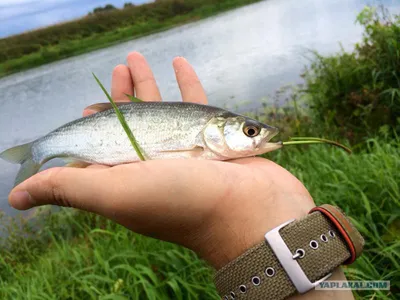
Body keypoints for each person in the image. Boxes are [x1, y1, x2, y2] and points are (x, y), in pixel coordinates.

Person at [8, 52, 353, 299]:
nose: (258, 136)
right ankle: (37, 150)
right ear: (218, 130)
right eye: (250, 132)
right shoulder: (204, 142)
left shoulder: (210, 145)